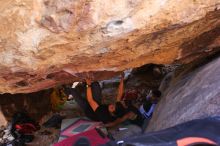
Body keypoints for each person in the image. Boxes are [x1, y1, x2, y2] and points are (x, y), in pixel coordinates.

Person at [64, 73, 134, 127]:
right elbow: (120, 93)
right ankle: (84, 84)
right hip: (98, 105)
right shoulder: (118, 112)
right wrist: (122, 79)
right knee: (95, 84)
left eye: (112, 107)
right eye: (113, 105)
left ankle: (66, 89)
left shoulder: (103, 114)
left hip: (88, 110)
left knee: (73, 91)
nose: (111, 105)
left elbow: (90, 100)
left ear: (112, 113)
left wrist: (89, 85)